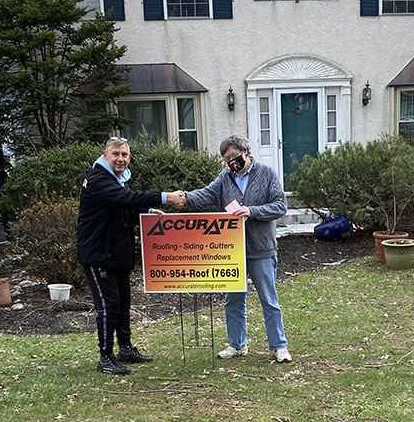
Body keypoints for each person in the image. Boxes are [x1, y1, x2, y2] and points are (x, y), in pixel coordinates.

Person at [77, 136, 186, 375]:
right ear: (105, 155)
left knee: (123, 304)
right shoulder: (98, 180)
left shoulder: (119, 180)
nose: (121, 159)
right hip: (99, 255)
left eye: (125, 155)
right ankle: (105, 357)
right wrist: (166, 197)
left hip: (118, 255)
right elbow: (125, 199)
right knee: (108, 307)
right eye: (116, 154)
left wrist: (146, 211)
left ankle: (125, 348)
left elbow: (125, 204)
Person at [183, 135, 291, 363]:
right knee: (233, 300)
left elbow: (280, 206)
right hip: (231, 251)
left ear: (245, 151)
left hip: (261, 248)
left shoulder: (267, 173)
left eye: (234, 157)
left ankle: (279, 346)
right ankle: (237, 344)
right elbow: (206, 194)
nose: (232, 162)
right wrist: (183, 197)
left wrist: (251, 211)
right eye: (227, 159)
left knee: (269, 300)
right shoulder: (225, 177)